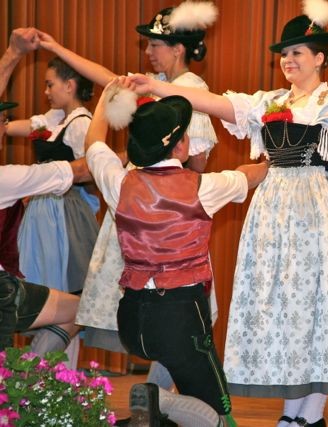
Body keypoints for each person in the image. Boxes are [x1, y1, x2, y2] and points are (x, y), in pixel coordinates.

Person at [127, 1, 328, 425]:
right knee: (285, 308)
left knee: (316, 310)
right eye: (284, 53)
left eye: (297, 52)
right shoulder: (270, 101)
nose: (288, 60)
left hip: (316, 214)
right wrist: (156, 88)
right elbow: (215, 103)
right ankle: (294, 414)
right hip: (272, 214)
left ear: (320, 58)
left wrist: (319, 185)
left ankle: (308, 414)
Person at [37, 1, 220, 361]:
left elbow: (197, 162)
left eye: (155, 44)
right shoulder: (161, 84)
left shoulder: (190, 89)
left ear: (178, 49)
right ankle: (35, 370)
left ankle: (157, 393)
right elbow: (108, 80)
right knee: (109, 304)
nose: (148, 51)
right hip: (140, 205)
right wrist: (56, 47)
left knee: (172, 307)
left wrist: (166, 188)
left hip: (167, 215)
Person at [85, 78, 267, 427]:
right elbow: (248, 175)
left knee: (178, 380)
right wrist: (273, 162)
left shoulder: (119, 182)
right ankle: (156, 399)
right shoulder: (201, 187)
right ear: (181, 145)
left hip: (132, 317)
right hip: (181, 316)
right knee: (219, 415)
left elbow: (94, 143)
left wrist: (107, 98)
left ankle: (156, 407)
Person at [0, 28, 84, 354]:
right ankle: (29, 375)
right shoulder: (8, 179)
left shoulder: (73, 121)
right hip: (4, 291)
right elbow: (80, 170)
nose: (6, 127)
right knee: (82, 307)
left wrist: (13, 53)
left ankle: (25, 374)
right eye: (3, 121)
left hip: (57, 216)